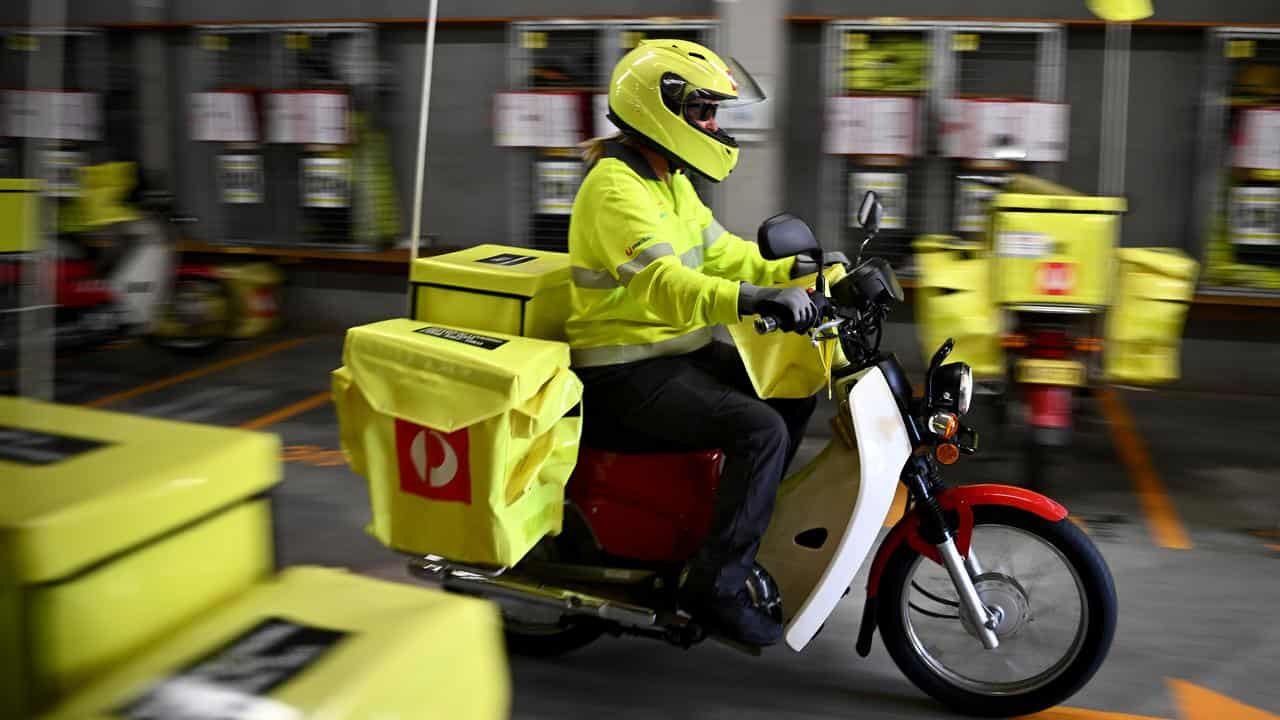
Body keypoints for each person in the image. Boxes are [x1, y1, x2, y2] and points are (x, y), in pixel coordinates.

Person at [566, 39, 834, 647]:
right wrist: (753, 299)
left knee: (793, 387)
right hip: (623, 372)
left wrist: (803, 271)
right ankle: (713, 585)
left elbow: (721, 251)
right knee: (759, 429)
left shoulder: (668, 179)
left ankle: (738, 529)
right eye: (703, 112)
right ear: (660, 110)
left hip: (672, 354)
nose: (713, 126)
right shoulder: (615, 190)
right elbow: (664, 283)